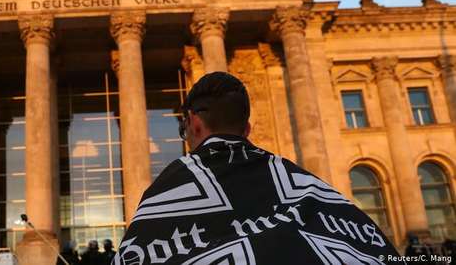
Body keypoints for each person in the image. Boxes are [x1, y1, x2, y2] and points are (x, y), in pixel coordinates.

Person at [113, 72, 403, 264]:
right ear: (248, 128)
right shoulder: (303, 183)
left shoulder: (174, 185)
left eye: (183, 129)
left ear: (194, 123)